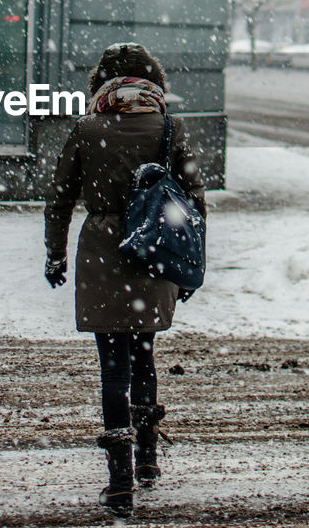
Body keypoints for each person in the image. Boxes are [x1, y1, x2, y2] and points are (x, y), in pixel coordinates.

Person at [43, 42, 206, 518]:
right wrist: (193, 265)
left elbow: (60, 199)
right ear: (152, 81)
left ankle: (119, 483)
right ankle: (148, 456)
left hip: (102, 252)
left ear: (102, 84)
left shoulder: (86, 128)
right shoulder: (170, 130)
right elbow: (194, 203)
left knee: (112, 366)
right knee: (144, 356)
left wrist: (56, 255)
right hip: (155, 251)